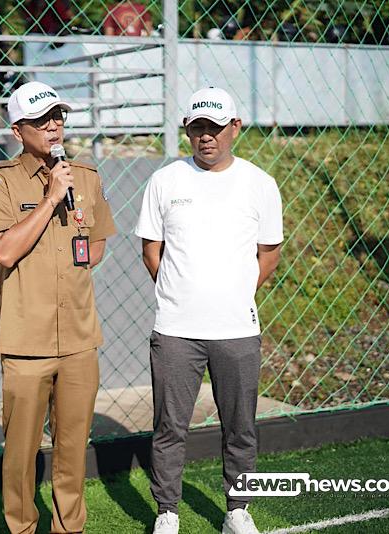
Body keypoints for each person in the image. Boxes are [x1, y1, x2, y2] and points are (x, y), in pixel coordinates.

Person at [134, 87, 283, 534]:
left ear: (235, 127)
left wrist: (236, 292)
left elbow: (269, 253)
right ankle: (167, 512)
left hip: (237, 329)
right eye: (198, 128)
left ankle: (237, 509)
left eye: (216, 128)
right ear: (187, 130)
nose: (206, 138)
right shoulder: (165, 181)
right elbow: (151, 251)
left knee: (240, 427)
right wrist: (180, 294)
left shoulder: (260, 183)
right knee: (169, 427)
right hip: (176, 330)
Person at [0, 81, 116, 534]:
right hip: (26, 341)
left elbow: (95, 246)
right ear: (18, 130)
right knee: (19, 455)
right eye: (42, 119)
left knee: (73, 449)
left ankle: (68, 529)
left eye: (58, 115)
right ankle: (21, 528)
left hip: (79, 339)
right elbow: (5, 252)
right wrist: (52, 198)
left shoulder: (87, 177)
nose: (54, 125)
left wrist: (71, 256)